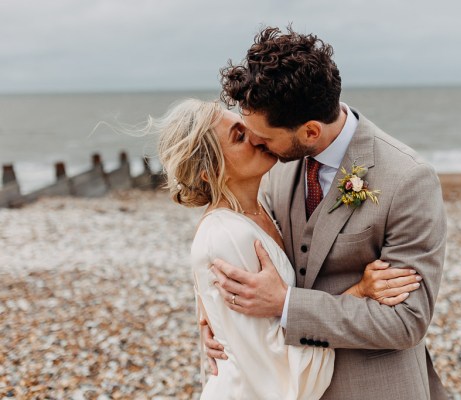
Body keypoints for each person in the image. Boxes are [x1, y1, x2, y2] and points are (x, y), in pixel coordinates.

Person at [206, 26, 449, 399]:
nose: (255, 143)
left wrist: (286, 304)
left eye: (264, 138)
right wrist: (219, 327)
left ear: (310, 132)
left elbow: (406, 322)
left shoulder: (408, 180)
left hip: (375, 386)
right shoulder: (276, 164)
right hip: (292, 381)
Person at [155, 99, 425, 399]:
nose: (255, 137)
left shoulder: (260, 206)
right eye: (239, 136)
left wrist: (212, 314)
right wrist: (359, 291)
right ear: (210, 170)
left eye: (245, 126)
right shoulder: (228, 235)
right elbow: (279, 368)